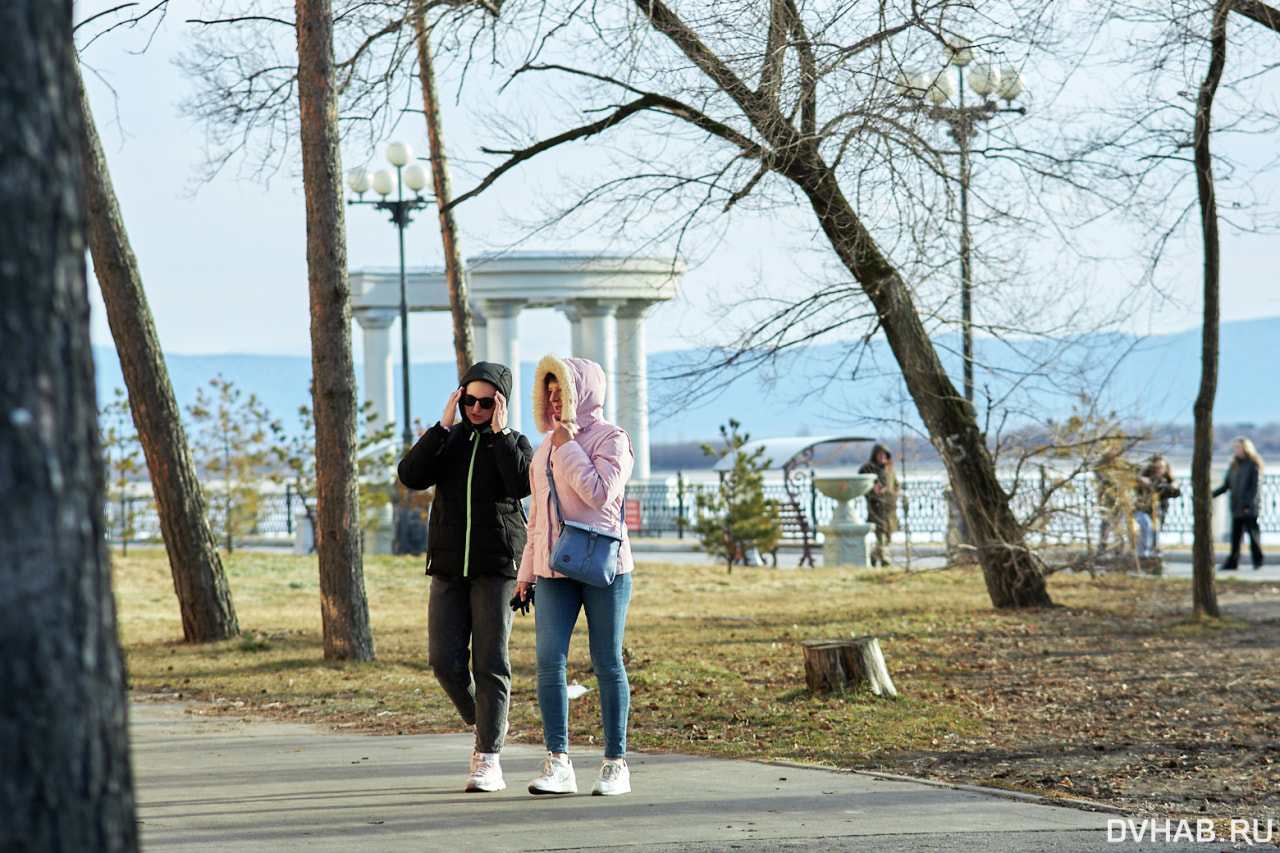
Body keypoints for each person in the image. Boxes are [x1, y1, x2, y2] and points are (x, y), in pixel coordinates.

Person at [397, 362, 534, 793]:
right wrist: (440, 426)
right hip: (449, 567)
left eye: (486, 402)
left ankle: (488, 758)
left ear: (501, 404)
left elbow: (519, 485)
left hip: (497, 569)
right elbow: (411, 477)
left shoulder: (515, 443)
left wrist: (499, 435)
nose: (476, 408)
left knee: (490, 663)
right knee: (444, 662)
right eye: (468, 399)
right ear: (459, 398)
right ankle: (489, 721)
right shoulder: (448, 440)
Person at [514, 354, 635, 797]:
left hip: (605, 568)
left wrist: (568, 447)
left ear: (583, 391)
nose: (553, 396)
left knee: (606, 662)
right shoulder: (544, 446)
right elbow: (537, 522)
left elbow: (600, 494)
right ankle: (558, 762)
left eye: (561, 387)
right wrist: (526, 574)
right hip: (552, 570)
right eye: (548, 388)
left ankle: (615, 763)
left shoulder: (612, 438)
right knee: (549, 663)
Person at [1213, 437, 1265, 571]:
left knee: (1253, 535)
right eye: (1235, 447)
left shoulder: (1253, 464)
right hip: (1236, 506)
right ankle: (1232, 562)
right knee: (1235, 537)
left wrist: (1248, 505)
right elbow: (1227, 485)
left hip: (1249, 507)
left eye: (1238, 447)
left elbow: (1255, 488)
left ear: (1246, 448)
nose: (1236, 450)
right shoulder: (1234, 465)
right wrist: (1211, 494)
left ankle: (1258, 561)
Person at [859, 443, 899, 567]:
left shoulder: (890, 469)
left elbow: (896, 485)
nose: (882, 457)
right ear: (875, 455)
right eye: (880, 454)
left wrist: (890, 492)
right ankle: (885, 559)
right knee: (881, 532)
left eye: (884, 454)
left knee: (888, 533)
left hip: (889, 506)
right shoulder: (868, 469)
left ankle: (874, 556)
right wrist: (872, 489)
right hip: (876, 506)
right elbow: (860, 484)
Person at [1135, 453, 1181, 558]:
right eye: (1156, 468)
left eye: (1161, 468)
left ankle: (1154, 553)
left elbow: (1175, 494)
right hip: (1143, 511)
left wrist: (1174, 486)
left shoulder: (1166, 481)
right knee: (1146, 525)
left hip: (1159, 513)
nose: (1158, 470)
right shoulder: (1144, 479)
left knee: (1156, 529)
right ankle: (1143, 554)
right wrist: (1143, 482)